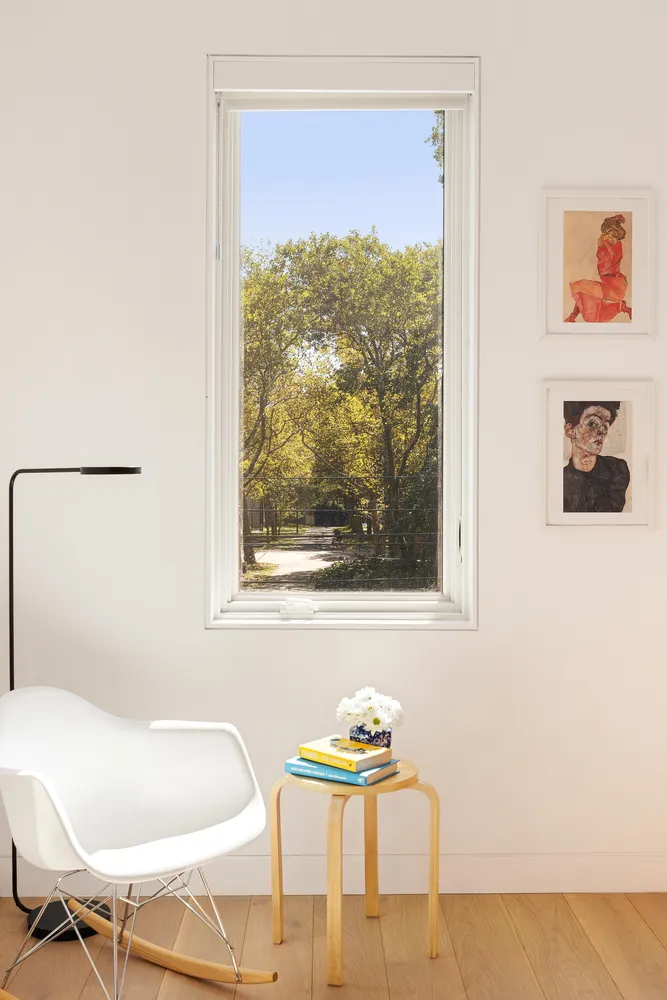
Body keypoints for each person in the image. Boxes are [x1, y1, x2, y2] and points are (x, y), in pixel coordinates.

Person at [563, 401, 629, 513]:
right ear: (570, 431)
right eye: (592, 424)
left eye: (605, 427)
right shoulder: (561, 481)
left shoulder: (617, 469)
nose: (601, 432)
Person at [565, 214, 632, 323]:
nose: (610, 237)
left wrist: (604, 243)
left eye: (613, 234)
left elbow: (610, 261)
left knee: (581, 287)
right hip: (610, 282)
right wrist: (602, 244)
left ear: (615, 233)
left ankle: (572, 316)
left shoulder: (613, 245)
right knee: (582, 290)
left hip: (614, 284)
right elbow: (602, 261)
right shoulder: (607, 244)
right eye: (608, 233)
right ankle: (572, 317)